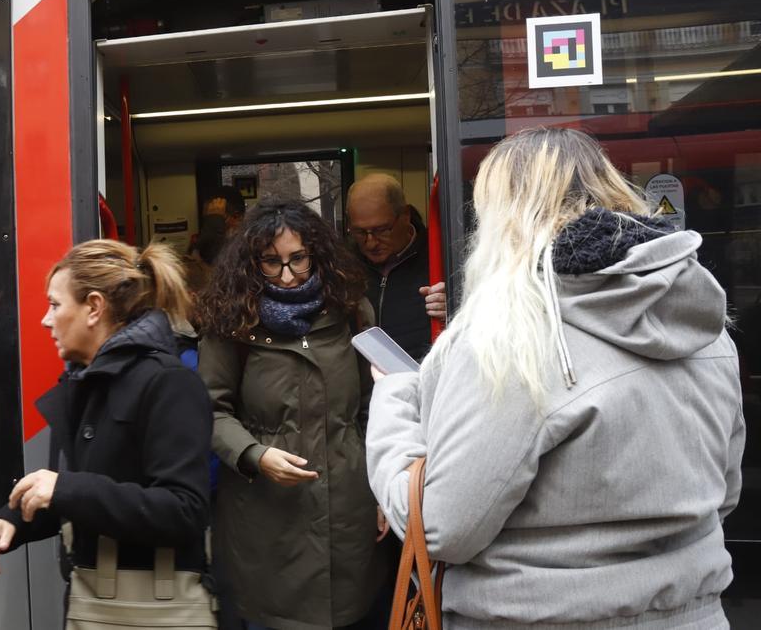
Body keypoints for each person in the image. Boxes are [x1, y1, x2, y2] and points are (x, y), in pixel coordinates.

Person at [367, 127, 744, 629]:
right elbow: (724, 494)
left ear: (503, 218)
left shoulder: (512, 339)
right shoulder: (702, 325)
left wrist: (393, 400)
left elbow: (440, 530)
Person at [0, 240, 214, 621]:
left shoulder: (169, 384)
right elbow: (88, 499)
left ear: (93, 307)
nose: (45, 319)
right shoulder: (85, 383)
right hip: (96, 603)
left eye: (55, 305)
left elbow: (184, 510)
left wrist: (63, 487)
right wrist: (12, 519)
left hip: (151, 612)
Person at [197, 196, 390, 630]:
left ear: (316, 253)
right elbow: (209, 409)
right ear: (252, 263)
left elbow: (372, 408)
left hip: (348, 505)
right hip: (268, 515)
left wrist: (382, 488)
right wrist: (253, 454)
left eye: (298, 259)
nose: (286, 275)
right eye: (271, 262)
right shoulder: (232, 321)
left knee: (355, 611)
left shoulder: (353, 311)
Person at [345, 173, 445, 359]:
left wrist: (452, 310)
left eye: (381, 230)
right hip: (367, 383)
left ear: (405, 216)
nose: (371, 243)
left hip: (424, 377)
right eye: (359, 232)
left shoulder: (441, 256)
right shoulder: (343, 266)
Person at [186, 185, 248, 295]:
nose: (210, 223)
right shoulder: (207, 236)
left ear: (236, 218)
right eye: (208, 219)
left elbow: (220, 267)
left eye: (218, 218)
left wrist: (215, 225)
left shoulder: (250, 247)